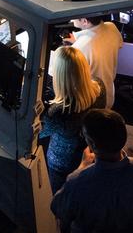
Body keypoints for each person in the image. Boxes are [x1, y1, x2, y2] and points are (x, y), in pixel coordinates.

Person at [38, 46, 107, 193]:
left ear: (59, 76)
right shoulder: (99, 87)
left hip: (61, 163)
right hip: (87, 155)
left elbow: (39, 133)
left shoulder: (59, 112)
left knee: (57, 196)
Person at [64, 14, 123, 108]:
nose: (71, 18)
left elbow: (65, 77)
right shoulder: (112, 27)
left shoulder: (79, 48)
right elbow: (110, 44)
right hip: (109, 95)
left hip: (92, 101)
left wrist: (80, 43)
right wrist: (82, 40)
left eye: (74, 15)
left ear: (84, 21)